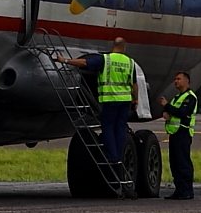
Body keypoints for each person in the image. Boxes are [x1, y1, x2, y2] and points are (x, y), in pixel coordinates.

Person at [56, 37, 139, 191]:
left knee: (107, 127)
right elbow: (134, 84)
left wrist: (65, 60)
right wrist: (136, 99)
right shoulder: (130, 62)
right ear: (124, 48)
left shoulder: (106, 59)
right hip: (125, 100)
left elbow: (84, 63)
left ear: (112, 45)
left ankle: (112, 156)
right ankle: (119, 155)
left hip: (110, 99)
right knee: (120, 128)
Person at [160, 70, 198, 200]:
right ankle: (179, 190)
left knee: (183, 163)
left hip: (183, 132)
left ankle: (187, 191)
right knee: (175, 163)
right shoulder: (177, 98)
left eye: (179, 79)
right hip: (174, 133)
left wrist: (167, 106)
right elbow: (172, 112)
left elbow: (182, 112)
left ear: (186, 81)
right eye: (175, 79)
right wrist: (166, 112)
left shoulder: (190, 97)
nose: (176, 81)